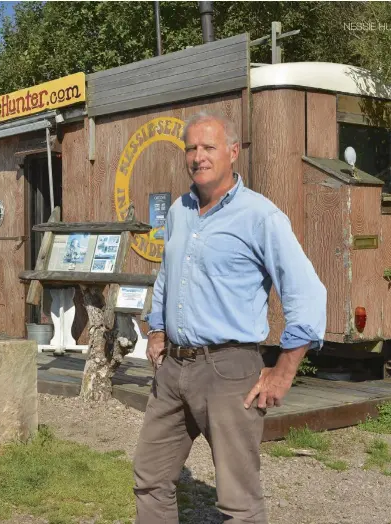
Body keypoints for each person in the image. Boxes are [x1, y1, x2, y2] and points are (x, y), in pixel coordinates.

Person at [133, 111, 327, 523]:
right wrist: (157, 329)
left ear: (233, 152)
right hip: (173, 369)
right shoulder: (181, 211)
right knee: (151, 479)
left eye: (208, 147)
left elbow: (307, 293)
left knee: (238, 501)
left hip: (229, 369)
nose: (197, 156)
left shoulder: (261, 216)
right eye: (191, 148)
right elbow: (168, 274)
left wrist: (284, 370)